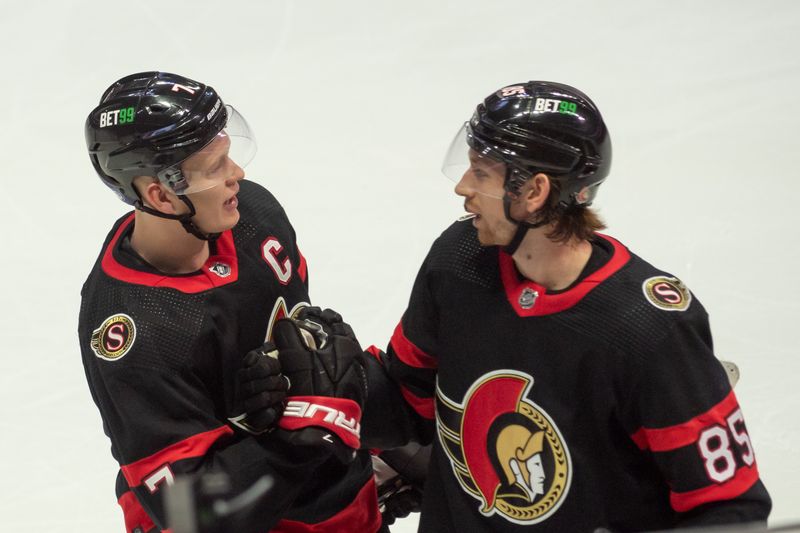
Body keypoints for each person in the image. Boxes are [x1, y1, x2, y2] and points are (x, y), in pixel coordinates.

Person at [302, 81, 773, 531]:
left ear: (533, 192)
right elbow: (410, 399)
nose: (462, 187)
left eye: (481, 173)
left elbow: (728, 507)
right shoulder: (459, 262)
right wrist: (343, 386)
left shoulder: (648, 329)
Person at [78, 71, 381, 533]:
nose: (237, 174)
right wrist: (304, 435)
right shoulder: (135, 331)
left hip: (335, 504)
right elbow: (187, 513)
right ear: (160, 194)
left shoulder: (253, 213)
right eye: (215, 167)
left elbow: (309, 356)